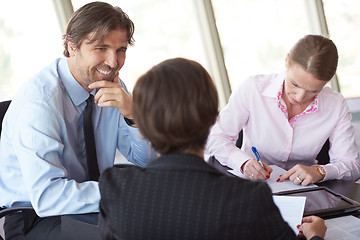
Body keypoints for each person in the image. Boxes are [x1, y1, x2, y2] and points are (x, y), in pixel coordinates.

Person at [98, 57, 327, 240]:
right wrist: (315, 236)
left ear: (144, 127)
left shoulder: (117, 188)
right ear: (211, 120)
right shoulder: (247, 199)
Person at [0, 2, 155, 239]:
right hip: (35, 217)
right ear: (71, 46)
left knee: (165, 222)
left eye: (121, 49)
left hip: (90, 204)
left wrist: (133, 115)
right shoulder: (39, 103)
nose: (113, 62)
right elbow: (47, 197)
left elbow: (145, 159)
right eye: (101, 48)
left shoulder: (112, 87)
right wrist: (119, 192)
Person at [207, 34, 360, 186]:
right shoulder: (253, 89)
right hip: (252, 186)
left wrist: (320, 172)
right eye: (295, 84)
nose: (300, 97)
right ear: (287, 61)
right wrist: (243, 162)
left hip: (305, 192)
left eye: (313, 91)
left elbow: (352, 166)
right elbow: (216, 138)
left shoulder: (335, 104)